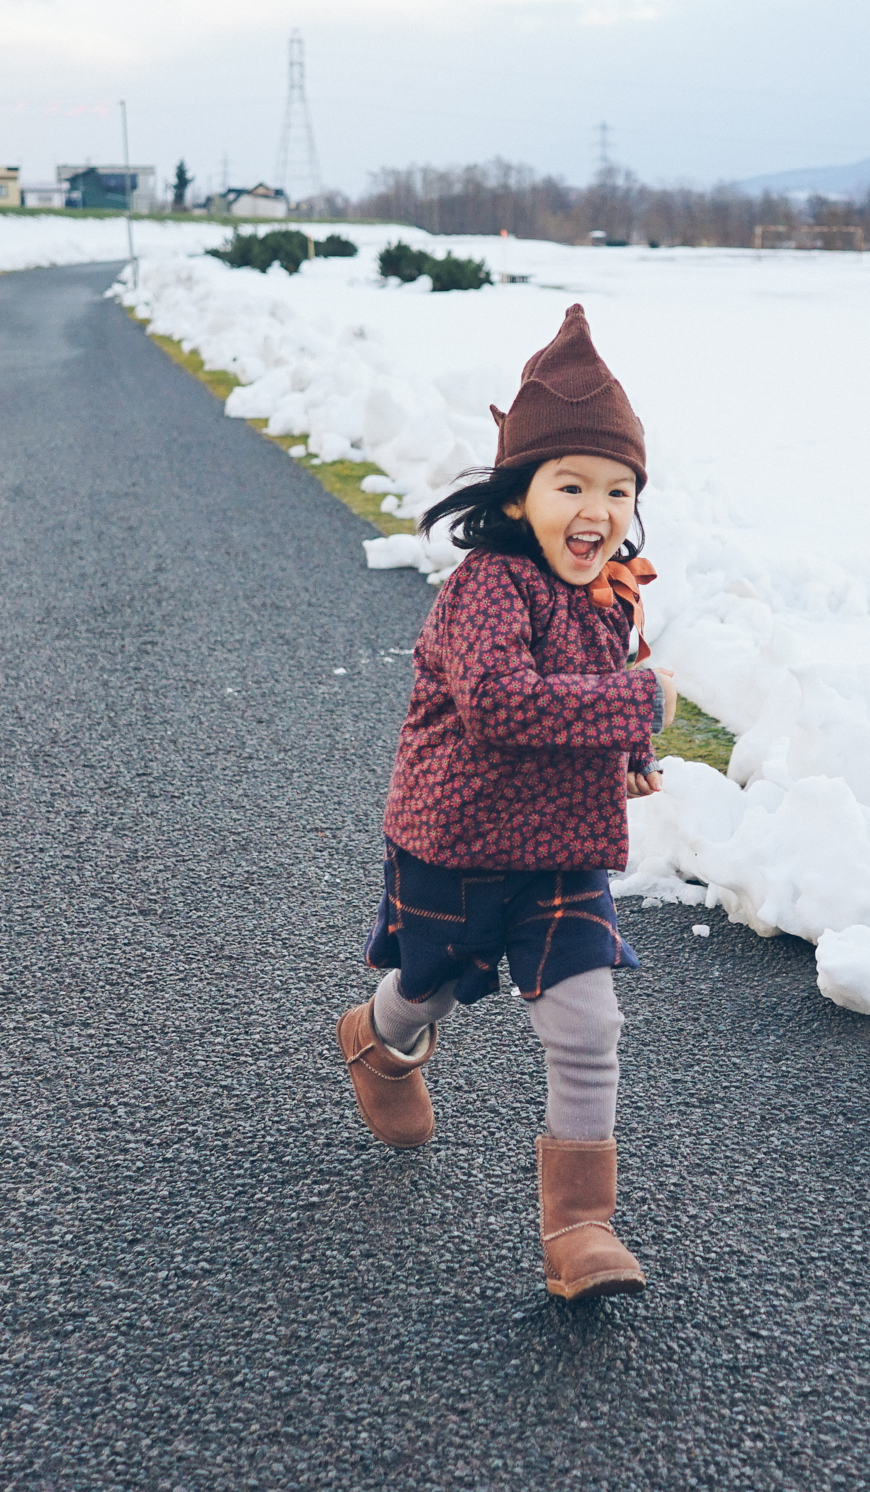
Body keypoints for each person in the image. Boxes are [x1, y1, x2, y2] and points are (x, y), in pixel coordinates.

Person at [335, 303, 674, 1301]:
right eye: (571, 483)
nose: (597, 509)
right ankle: (378, 1036)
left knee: (586, 1021)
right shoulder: (487, 588)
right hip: (458, 842)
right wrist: (633, 701)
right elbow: (500, 703)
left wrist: (636, 743)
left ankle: (580, 1225)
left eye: (618, 489)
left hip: (562, 853)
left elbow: (600, 685)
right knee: (430, 985)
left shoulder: (604, 596)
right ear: (519, 494)